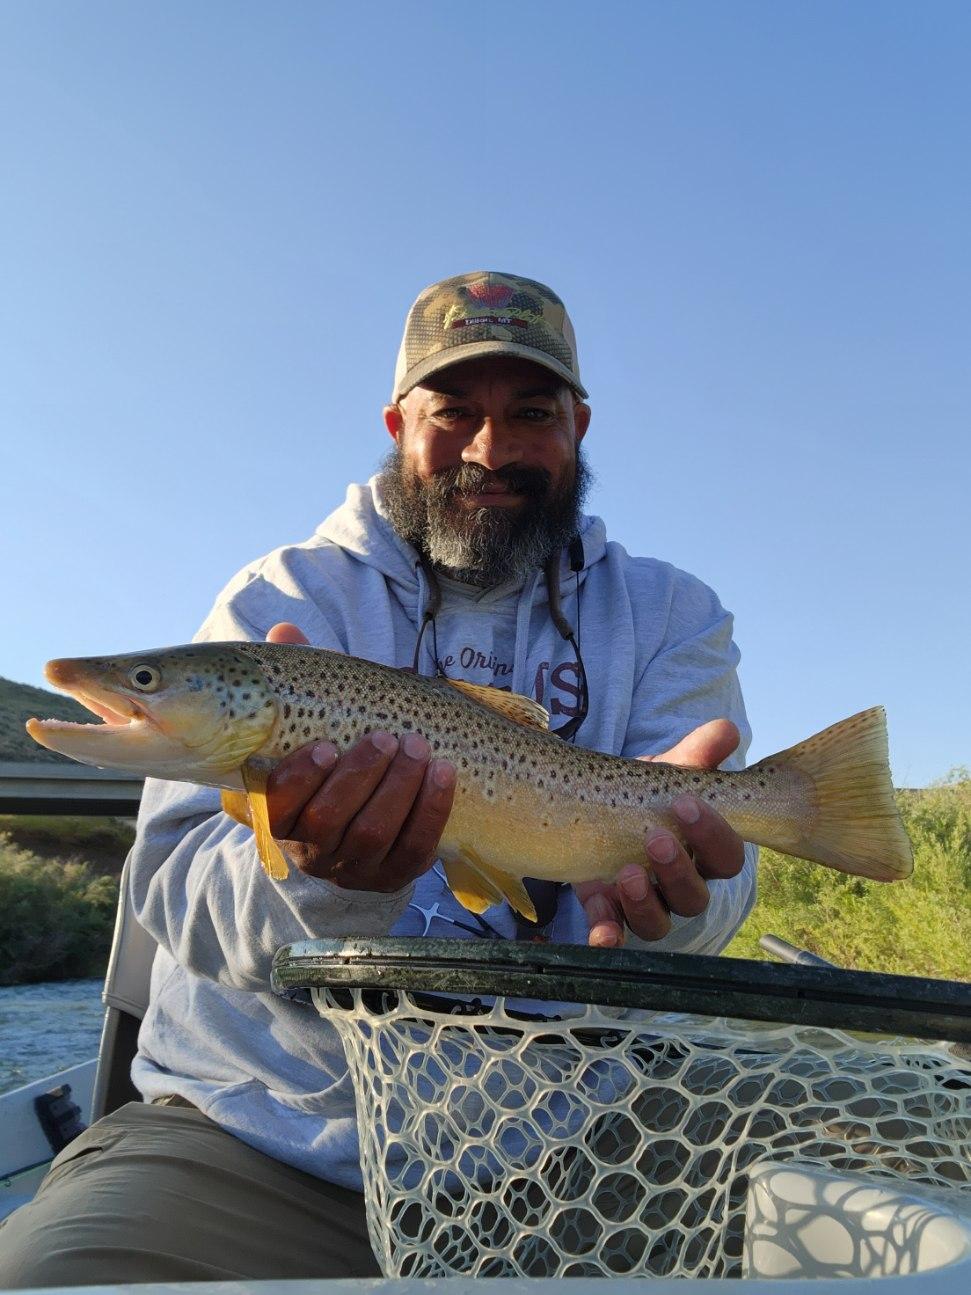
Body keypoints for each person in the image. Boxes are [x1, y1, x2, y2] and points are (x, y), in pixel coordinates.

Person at [0, 271, 756, 1285]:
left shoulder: (669, 614)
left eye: (529, 413)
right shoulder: (282, 597)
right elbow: (171, 894)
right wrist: (320, 881)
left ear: (577, 424)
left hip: (570, 1148)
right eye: (453, 413)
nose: (490, 449)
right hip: (253, 1139)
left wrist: (688, 897)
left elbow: (720, 884)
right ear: (400, 421)